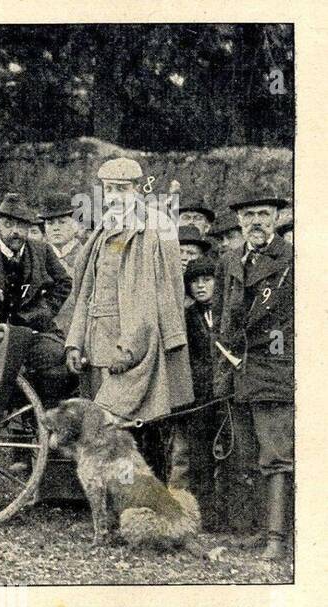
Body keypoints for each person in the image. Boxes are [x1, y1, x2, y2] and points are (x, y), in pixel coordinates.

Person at [57, 157, 193, 480]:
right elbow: (85, 294)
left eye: (122, 189)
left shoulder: (157, 229)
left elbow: (161, 296)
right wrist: (74, 343)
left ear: (137, 189)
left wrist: (131, 348)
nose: (115, 196)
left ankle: (144, 502)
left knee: (139, 430)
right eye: (109, 189)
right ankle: (116, 503)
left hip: (136, 349)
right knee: (106, 435)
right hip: (97, 346)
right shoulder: (102, 231)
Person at [213, 189, 293, 558]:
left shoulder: (291, 258)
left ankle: (277, 537)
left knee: (275, 456)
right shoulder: (229, 259)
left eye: (263, 214)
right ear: (239, 222)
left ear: (276, 218)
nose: (256, 222)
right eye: (248, 216)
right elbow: (221, 318)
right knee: (245, 454)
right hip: (237, 369)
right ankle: (260, 531)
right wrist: (225, 369)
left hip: (274, 368)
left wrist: (277, 357)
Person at [0, 193, 73, 403]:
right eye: (8, 225)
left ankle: (38, 417)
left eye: (21, 226)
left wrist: (44, 311)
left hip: (29, 328)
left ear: (29, 228)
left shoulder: (41, 250)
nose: (15, 232)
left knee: (55, 358)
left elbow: (63, 282)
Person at [168, 256, 220, 524]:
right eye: (194, 281)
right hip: (197, 395)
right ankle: (202, 515)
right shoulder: (187, 317)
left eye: (206, 280)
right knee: (196, 455)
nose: (200, 286)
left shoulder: (228, 312)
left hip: (224, 393)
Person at [39, 191, 82, 276]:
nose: (56, 228)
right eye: (50, 223)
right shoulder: (38, 257)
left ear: (75, 225)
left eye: (62, 222)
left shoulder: (86, 255)